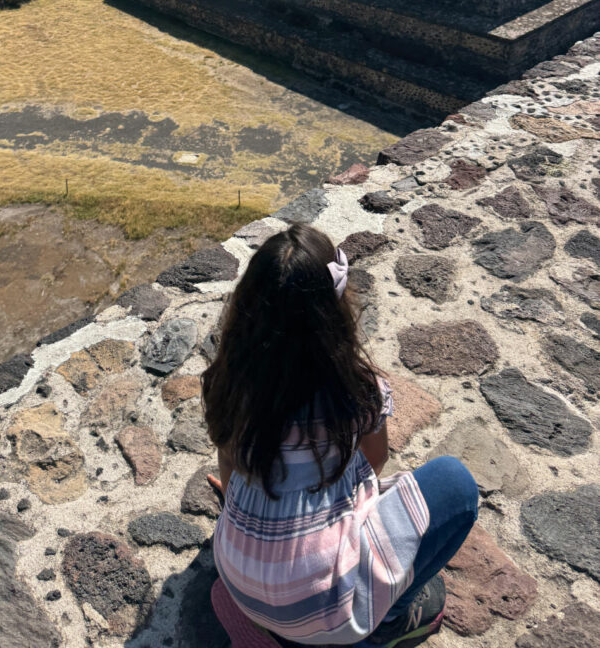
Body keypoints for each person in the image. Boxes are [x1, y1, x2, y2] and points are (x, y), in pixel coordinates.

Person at [202, 222, 478, 648]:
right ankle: (386, 625)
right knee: (454, 484)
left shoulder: (226, 381)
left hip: (238, 576)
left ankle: (276, 623)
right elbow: (375, 460)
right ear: (335, 312)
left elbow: (229, 461)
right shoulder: (359, 390)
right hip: (324, 613)